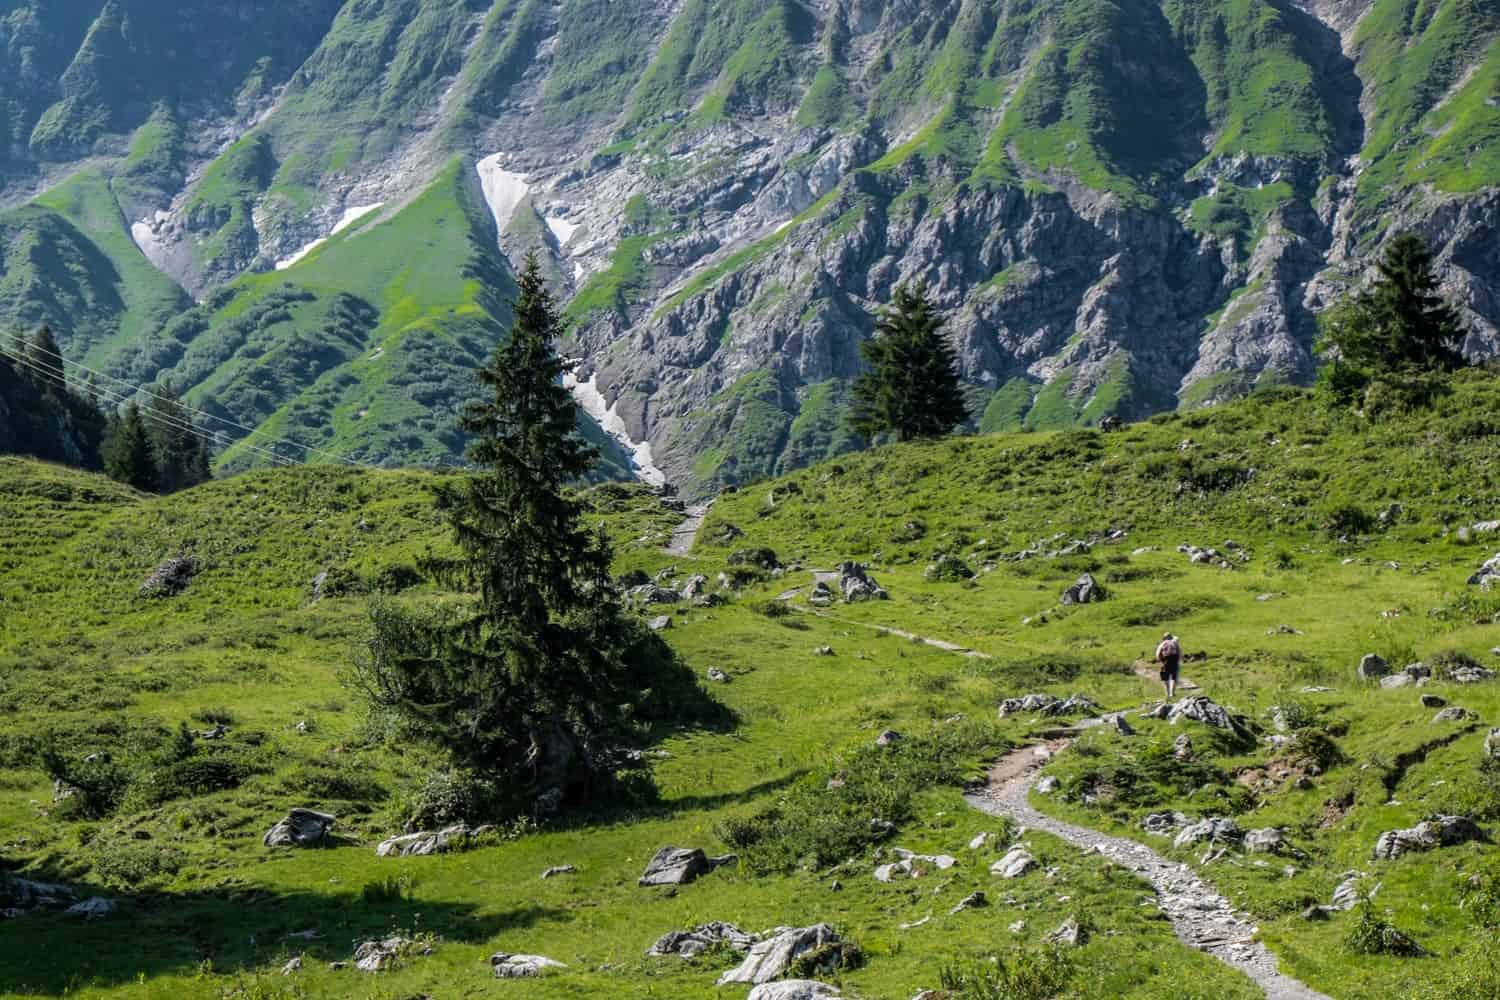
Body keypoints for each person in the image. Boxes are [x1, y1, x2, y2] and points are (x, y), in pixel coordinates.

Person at [1155, 631, 1181, 700]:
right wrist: (1178, 661)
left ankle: (1167, 693)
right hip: (1174, 659)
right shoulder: (1174, 643)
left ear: (1164, 638)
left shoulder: (1162, 644)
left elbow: (1158, 654)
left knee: (1165, 677)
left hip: (1165, 660)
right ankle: (1172, 693)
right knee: (1174, 677)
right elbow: (1179, 652)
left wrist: (1160, 661)